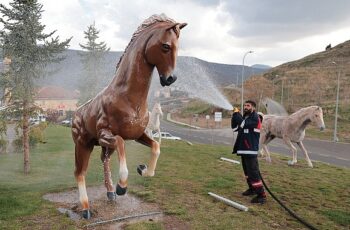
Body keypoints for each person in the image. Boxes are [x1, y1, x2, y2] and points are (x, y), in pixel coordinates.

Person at [231, 100, 266, 204]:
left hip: (250, 150)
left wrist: (237, 114)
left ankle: (261, 195)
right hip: (243, 149)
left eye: (248, 106)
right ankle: (252, 189)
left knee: (253, 173)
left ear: (253, 108)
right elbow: (235, 128)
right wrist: (234, 116)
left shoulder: (256, 117)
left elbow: (243, 124)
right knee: (247, 173)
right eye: (245, 105)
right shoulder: (245, 117)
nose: (245, 107)